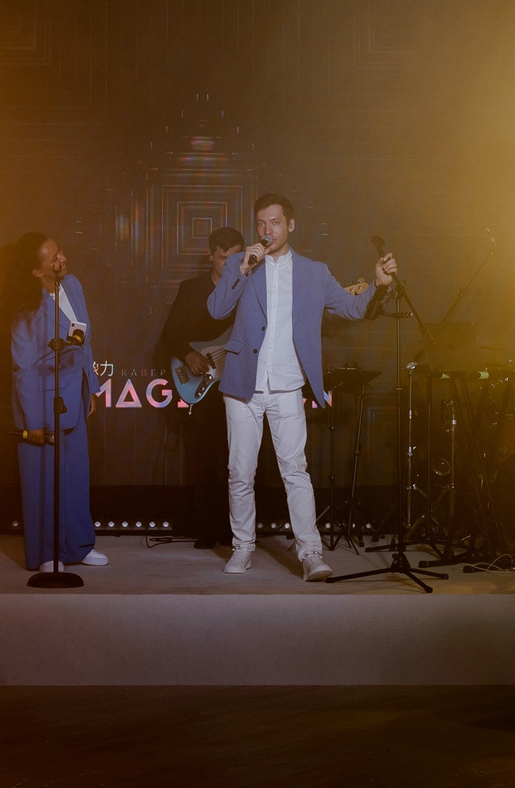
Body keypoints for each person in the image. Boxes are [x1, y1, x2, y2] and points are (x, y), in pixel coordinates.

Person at [207, 193, 396, 581]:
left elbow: (352, 308)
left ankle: (310, 552)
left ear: (290, 225)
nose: (267, 230)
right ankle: (242, 546)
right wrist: (241, 269)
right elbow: (216, 310)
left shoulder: (314, 272)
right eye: (261, 223)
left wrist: (378, 285)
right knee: (240, 472)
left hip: (288, 385)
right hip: (242, 384)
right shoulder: (240, 265)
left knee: (296, 471)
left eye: (275, 222)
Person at [0, 232, 103, 573]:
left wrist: (91, 387)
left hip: (75, 393)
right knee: (42, 482)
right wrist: (33, 423)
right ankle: (45, 553)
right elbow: (24, 368)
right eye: (54, 258)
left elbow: (84, 340)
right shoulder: (25, 309)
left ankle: (80, 545)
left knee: (76, 476)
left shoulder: (73, 285)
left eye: (61, 253)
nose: (63, 260)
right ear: (35, 271)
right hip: (42, 405)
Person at [155, 226, 246, 548]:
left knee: (240, 457)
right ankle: (207, 530)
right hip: (205, 383)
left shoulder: (250, 289)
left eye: (237, 259)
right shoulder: (192, 288)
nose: (230, 266)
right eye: (223, 259)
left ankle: (236, 531)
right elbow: (169, 334)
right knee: (206, 456)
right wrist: (188, 354)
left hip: (238, 380)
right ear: (210, 255)